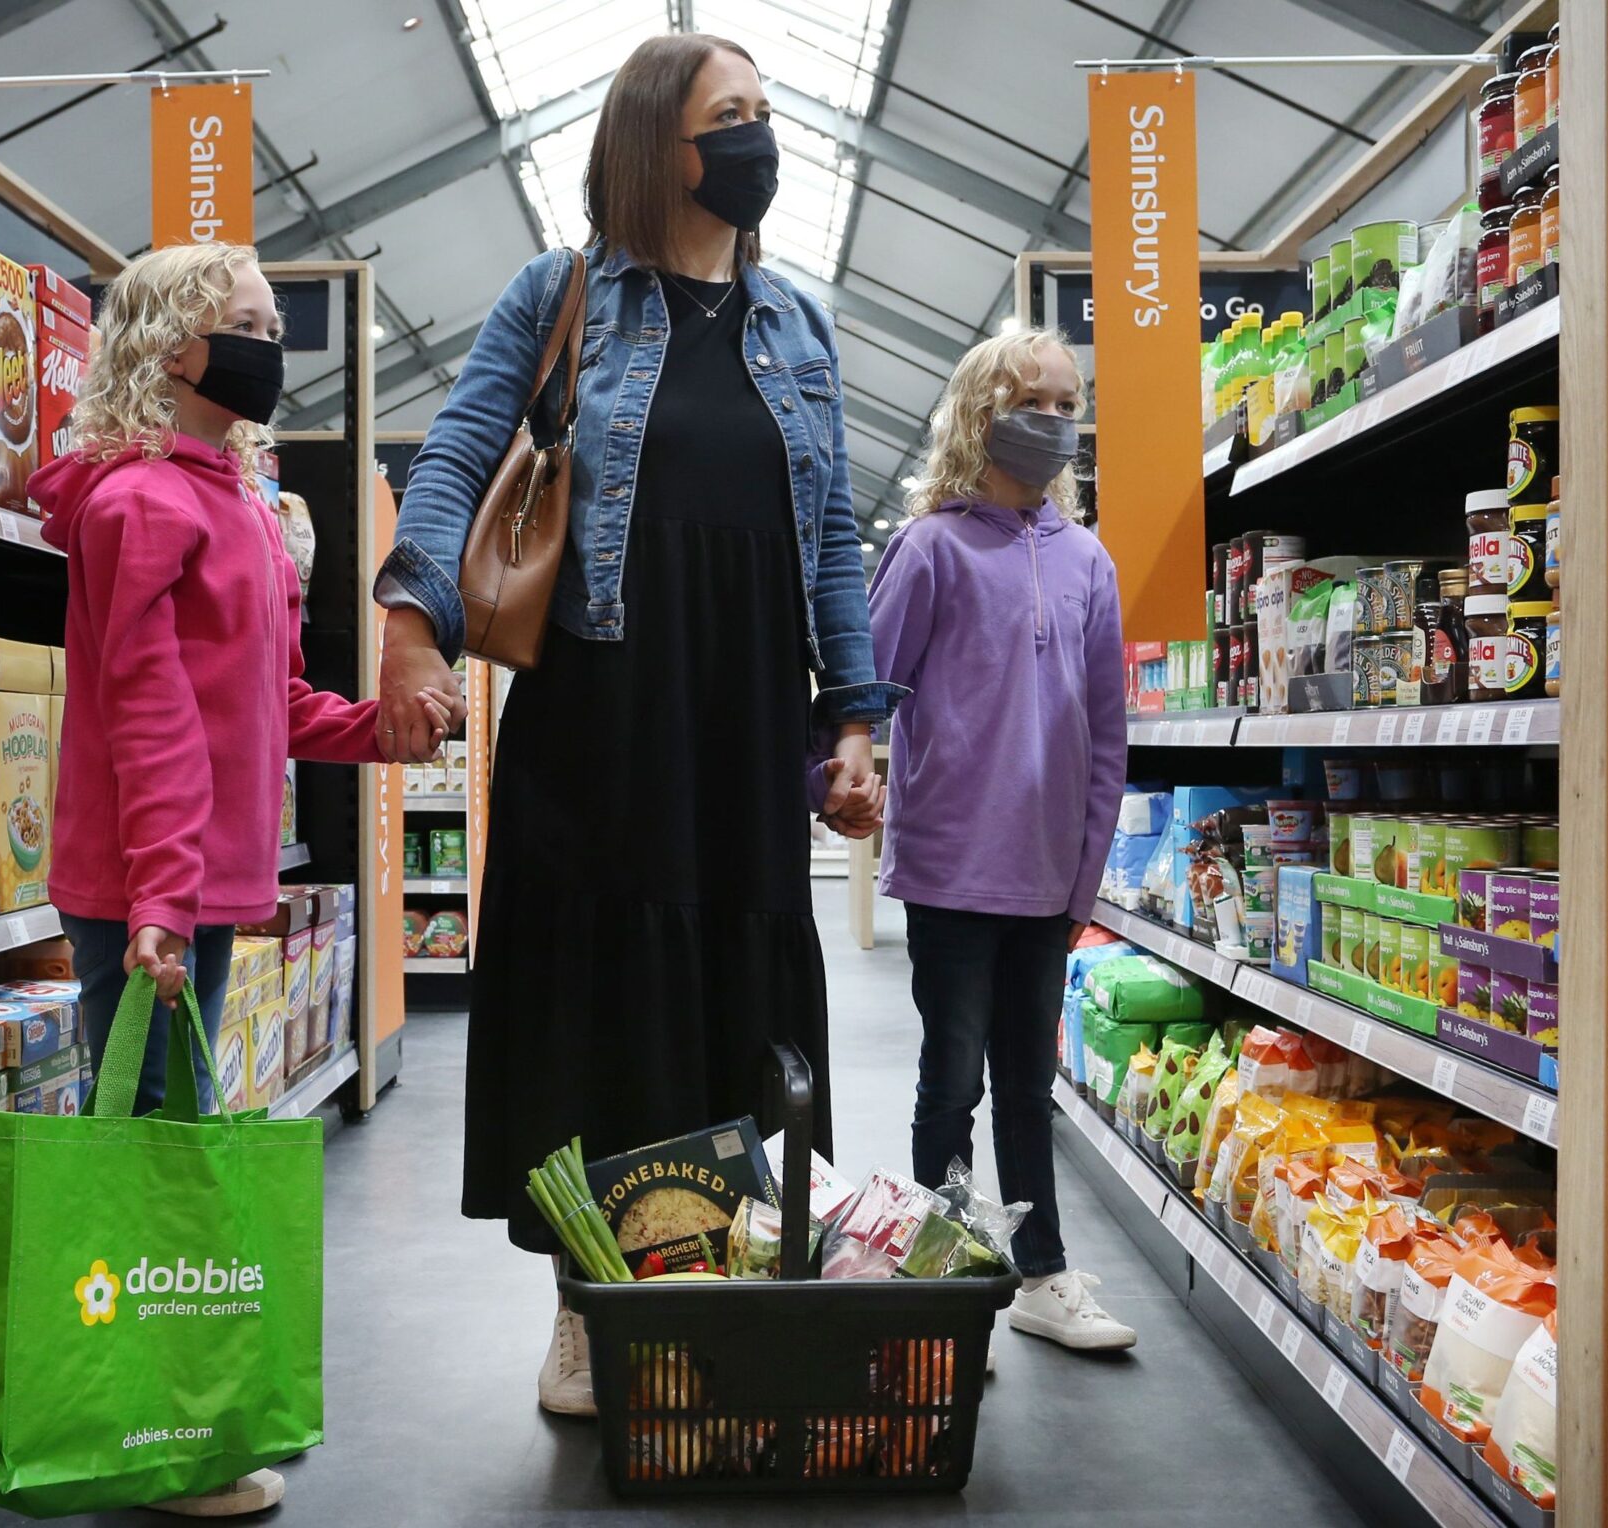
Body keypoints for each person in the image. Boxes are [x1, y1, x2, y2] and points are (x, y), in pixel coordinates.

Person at [376, 33, 899, 1415]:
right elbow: (457, 451)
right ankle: (586, 1308)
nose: (759, 141)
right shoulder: (565, 300)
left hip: (738, 724)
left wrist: (851, 721)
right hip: (600, 722)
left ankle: (719, 1298)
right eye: (733, 117)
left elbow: (834, 537)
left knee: (736, 1006)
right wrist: (409, 624)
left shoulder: (800, 328)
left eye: (768, 116)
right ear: (656, 141)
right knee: (596, 1010)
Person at [29, 241, 448, 1515]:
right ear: (173, 349)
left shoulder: (239, 503)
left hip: (197, 878)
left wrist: (375, 728)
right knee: (160, 1144)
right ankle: (161, 1437)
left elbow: (260, 706)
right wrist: (159, 899)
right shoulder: (138, 505)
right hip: (145, 884)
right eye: (255, 325)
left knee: (176, 1137)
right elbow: (148, 716)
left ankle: (183, 1398)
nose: (278, 347)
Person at [867, 328, 1137, 1352]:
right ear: (984, 411)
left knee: (1031, 1086)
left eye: (1070, 405)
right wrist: (830, 776)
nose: (1056, 421)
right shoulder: (930, 546)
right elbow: (873, 688)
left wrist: (1086, 876)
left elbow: (1106, 732)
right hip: (949, 868)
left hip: (1045, 874)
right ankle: (939, 1268)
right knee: (954, 1076)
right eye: (1038, 401)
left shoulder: (1086, 562)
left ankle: (1042, 1273)